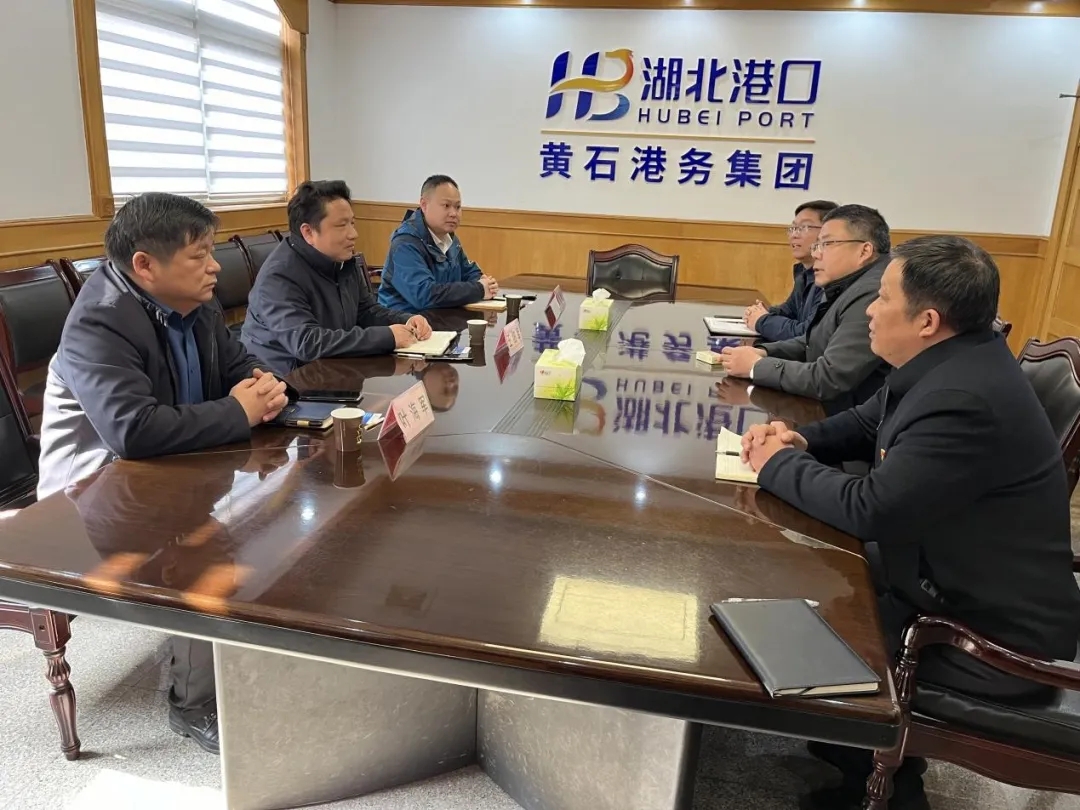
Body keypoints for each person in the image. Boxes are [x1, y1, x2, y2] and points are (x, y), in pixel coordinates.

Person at [740, 235, 1080, 810]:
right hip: (948, 577)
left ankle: (889, 790)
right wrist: (798, 439)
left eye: (883, 299)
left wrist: (776, 465)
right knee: (806, 570)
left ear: (926, 321)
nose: (870, 310)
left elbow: (871, 508)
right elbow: (866, 422)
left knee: (809, 602)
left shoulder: (963, 397)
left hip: (985, 636)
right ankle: (850, 756)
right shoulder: (953, 358)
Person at [37, 192, 293, 755]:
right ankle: (193, 703)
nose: (214, 267)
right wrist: (239, 411)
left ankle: (256, 650)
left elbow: (236, 365)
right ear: (145, 265)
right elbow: (132, 431)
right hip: (88, 498)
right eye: (199, 256)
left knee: (276, 507)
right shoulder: (99, 322)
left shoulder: (194, 303)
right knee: (202, 552)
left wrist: (265, 386)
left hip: (166, 468)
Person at [242, 180, 432, 375]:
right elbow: (307, 343)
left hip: (333, 369)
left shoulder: (342, 260)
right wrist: (387, 337)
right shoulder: (279, 276)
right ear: (308, 232)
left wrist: (406, 320)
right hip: (286, 380)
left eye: (352, 223)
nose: (353, 234)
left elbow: (366, 311)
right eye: (342, 226)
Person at [721, 205, 892, 415]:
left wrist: (756, 367)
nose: (816, 253)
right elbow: (814, 341)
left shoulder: (874, 292)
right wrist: (764, 352)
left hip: (857, 421)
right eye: (817, 245)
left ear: (864, 251)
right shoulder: (848, 283)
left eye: (826, 244)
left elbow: (828, 379)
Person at [377, 175, 499, 313]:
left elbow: (469, 272)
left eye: (458, 207)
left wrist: (484, 282)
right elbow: (425, 295)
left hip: (441, 317)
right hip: (405, 321)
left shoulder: (449, 238)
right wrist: (479, 289)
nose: (454, 213)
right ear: (424, 205)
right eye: (446, 206)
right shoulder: (405, 244)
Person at [743, 200, 838, 341]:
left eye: (804, 227)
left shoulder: (831, 278)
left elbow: (806, 334)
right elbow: (789, 311)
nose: (794, 235)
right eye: (793, 228)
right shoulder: (804, 273)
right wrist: (761, 312)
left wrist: (762, 320)